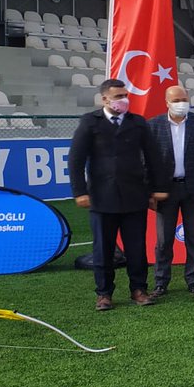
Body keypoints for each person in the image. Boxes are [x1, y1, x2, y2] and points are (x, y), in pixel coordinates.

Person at [69, 78, 168, 310]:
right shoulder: (90, 122)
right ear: (105, 99)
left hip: (134, 196)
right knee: (102, 249)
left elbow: (154, 157)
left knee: (136, 248)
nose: (124, 100)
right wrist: (79, 191)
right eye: (118, 96)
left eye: (125, 96)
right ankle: (104, 294)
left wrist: (157, 188)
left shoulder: (137, 123)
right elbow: (76, 159)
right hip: (101, 198)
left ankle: (139, 289)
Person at [145, 85, 194, 298]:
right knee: (164, 240)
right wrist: (151, 191)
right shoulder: (153, 126)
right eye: (176, 100)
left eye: (184, 98)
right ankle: (161, 282)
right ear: (167, 102)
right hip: (166, 191)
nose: (181, 103)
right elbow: (146, 162)